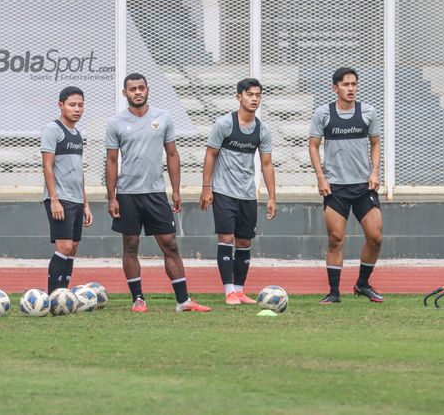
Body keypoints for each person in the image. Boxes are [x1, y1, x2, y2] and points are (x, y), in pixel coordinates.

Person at [105, 72, 211, 313]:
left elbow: (172, 154)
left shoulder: (163, 117)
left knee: (170, 245)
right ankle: (138, 299)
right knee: (130, 245)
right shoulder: (115, 122)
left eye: (141, 87)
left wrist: (175, 191)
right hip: (128, 194)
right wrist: (112, 197)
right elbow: (111, 161)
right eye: (132, 89)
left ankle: (183, 301)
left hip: (155, 193)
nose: (138, 92)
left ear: (148, 89)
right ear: (125, 93)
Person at [308, 67, 384, 304]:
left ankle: (362, 284)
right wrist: (321, 177)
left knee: (376, 237)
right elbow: (313, 146)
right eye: (346, 85)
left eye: (354, 84)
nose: (351, 89)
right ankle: (333, 292)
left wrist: (375, 172)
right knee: (336, 238)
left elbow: (375, 143)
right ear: (335, 88)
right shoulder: (323, 114)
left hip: (363, 186)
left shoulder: (368, 112)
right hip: (336, 188)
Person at [200, 78, 276, 305]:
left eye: (258, 95)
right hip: (223, 191)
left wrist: (272, 197)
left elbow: (267, 164)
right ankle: (229, 291)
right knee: (225, 238)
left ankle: (240, 291)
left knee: (244, 242)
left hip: (247, 194)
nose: (254, 99)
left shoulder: (262, 129)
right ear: (239, 97)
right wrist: (206, 188)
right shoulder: (224, 124)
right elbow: (210, 154)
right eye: (250, 94)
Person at [41, 86, 93, 293]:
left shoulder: (78, 134)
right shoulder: (52, 130)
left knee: (72, 249)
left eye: (80, 105)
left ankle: (64, 294)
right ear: (61, 105)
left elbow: (79, 172)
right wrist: (54, 199)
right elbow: (47, 166)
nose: (77, 109)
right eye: (72, 105)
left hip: (76, 200)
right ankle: (54, 295)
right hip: (60, 198)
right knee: (63, 247)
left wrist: (86, 204)